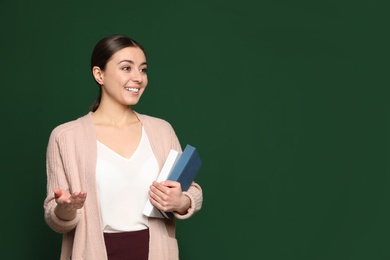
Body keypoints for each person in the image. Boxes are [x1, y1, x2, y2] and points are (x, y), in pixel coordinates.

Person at [43, 34, 203, 260]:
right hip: (94, 252)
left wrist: (181, 202)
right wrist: (66, 208)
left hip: (155, 252)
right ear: (99, 74)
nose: (138, 78)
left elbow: (191, 190)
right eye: (127, 68)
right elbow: (54, 216)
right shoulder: (66, 136)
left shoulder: (161, 130)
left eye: (143, 69)